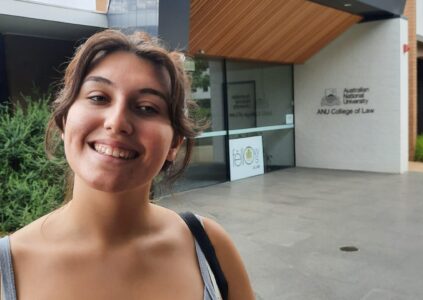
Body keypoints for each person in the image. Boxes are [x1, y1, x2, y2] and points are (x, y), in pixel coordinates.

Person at [0, 30, 254, 300]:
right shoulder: (8, 267)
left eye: (147, 107)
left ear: (174, 143)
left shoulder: (207, 244)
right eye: (98, 97)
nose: (117, 121)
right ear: (64, 121)